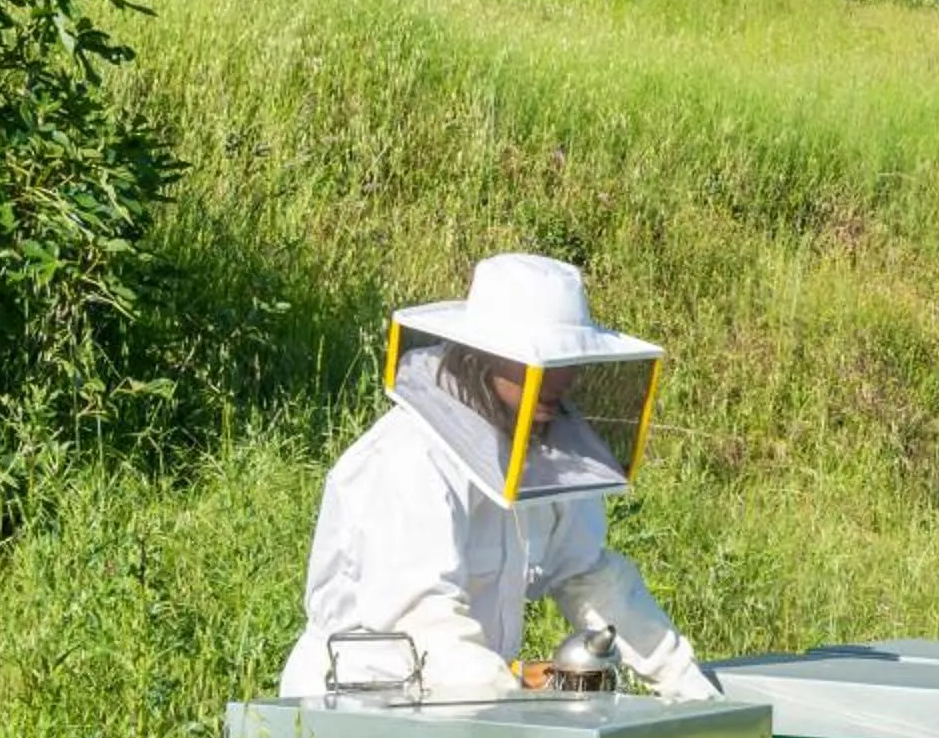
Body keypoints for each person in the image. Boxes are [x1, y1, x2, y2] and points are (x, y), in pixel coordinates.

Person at [277, 252, 722, 702]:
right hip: (354, 708)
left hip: (463, 704)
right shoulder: (407, 459)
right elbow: (425, 621)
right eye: (542, 363)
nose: (561, 379)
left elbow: (588, 577)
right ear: (482, 357)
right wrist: (513, 703)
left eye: (568, 362)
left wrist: (692, 691)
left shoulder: (545, 452)